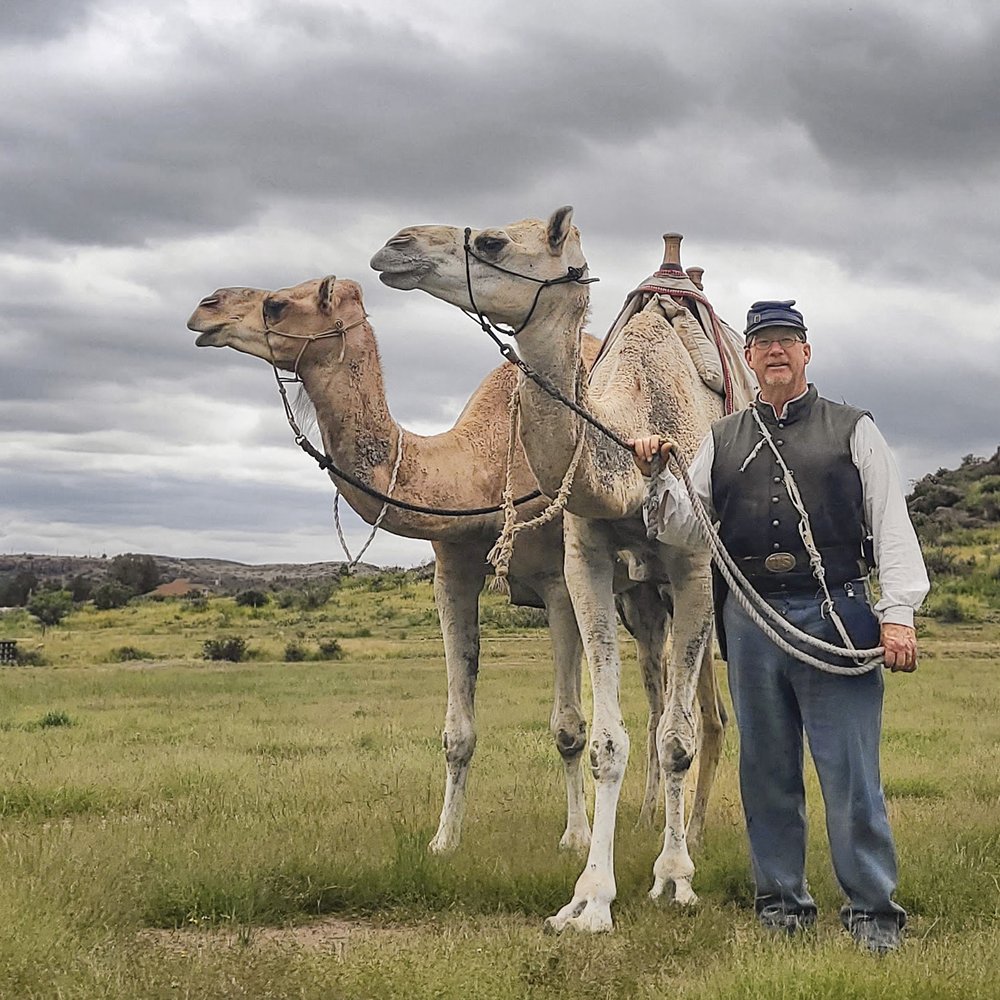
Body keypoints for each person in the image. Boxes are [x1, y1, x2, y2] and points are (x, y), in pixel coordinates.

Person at [630, 299, 928, 954]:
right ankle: (782, 911)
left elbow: (889, 521)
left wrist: (898, 614)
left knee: (851, 777)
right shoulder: (723, 439)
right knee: (766, 775)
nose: (775, 351)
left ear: (806, 354)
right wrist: (656, 476)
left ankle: (874, 917)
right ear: (749, 356)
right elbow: (684, 528)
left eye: (787, 341)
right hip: (752, 617)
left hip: (837, 617)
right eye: (763, 341)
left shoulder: (854, 429)